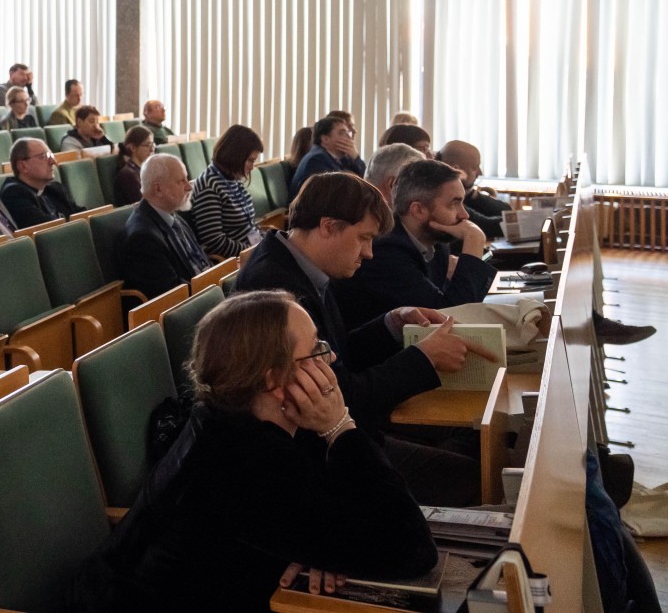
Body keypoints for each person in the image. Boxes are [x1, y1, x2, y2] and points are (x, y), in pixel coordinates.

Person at [72, 290, 437, 612]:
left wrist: (324, 549)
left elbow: (331, 504)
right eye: (314, 350)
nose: (330, 358)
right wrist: (339, 425)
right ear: (273, 379)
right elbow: (412, 549)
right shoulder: (244, 460)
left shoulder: (230, 415)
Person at [236, 171, 487, 506]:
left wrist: (390, 324)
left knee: (472, 436)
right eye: (363, 238)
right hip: (316, 452)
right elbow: (338, 395)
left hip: (343, 427)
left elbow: (338, 355)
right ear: (328, 226)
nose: (369, 253)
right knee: (473, 476)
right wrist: (422, 359)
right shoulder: (278, 290)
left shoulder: (301, 265)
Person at [334, 160, 498, 327]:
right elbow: (451, 318)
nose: (464, 215)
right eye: (454, 204)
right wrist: (474, 241)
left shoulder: (436, 243)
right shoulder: (386, 252)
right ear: (418, 210)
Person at [120, 154, 213, 298]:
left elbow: (200, 261)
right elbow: (172, 293)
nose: (189, 187)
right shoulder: (143, 238)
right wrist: (213, 287)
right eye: (181, 181)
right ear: (158, 189)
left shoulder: (173, 215)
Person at [190, 124, 266, 258]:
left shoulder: (233, 179)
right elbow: (215, 242)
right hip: (237, 260)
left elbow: (249, 226)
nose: (252, 167)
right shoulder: (209, 185)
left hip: (252, 253)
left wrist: (265, 242)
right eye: (250, 160)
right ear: (235, 155)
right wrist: (254, 251)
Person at [0, 138, 83, 228]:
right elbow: (48, 230)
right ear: (23, 166)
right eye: (43, 157)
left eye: (51, 155)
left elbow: (81, 215)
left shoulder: (55, 188)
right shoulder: (13, 195)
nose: (53, 161)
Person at [434, 139, 509, 239]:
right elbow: (487, 226)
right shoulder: (442, 195)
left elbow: (505, 210)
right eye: (474, 168)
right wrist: (528, 220)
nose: (480, 173)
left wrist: (473, 195)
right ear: (456, 169)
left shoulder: (463, 194)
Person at [289, 115, 365, 197]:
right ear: (325, 139)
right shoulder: (316, 159)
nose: (349, 137)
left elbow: (365, 179)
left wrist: (355, 157)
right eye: (342, 133)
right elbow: (337, 191)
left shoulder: (342, 159)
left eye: (348, 133)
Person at [114, 125, 155, 205]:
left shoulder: (143, 169)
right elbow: (144, 204)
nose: (152, 150)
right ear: (133, 148)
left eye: (152, 145)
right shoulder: (128, 175)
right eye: (148, 145)